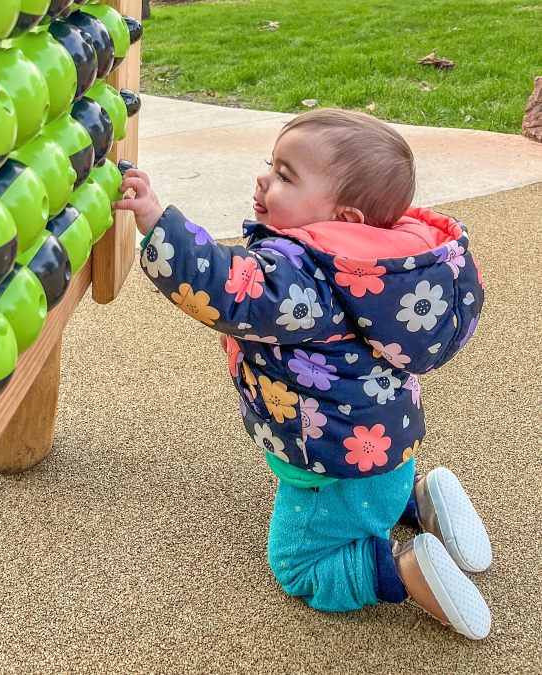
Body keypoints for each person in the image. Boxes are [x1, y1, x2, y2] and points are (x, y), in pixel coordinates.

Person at [114, 109, 492, 639]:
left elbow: (227, 289)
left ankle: (403, 569)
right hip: (386, 448)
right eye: (272, 163)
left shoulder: (303, 276)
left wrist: (158, 220)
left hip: (331, 465)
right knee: (370, 492)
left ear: (347, 216)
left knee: (301, 567)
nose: (264, 179)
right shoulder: (383, 268)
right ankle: (417, 499)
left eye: (286, 175)